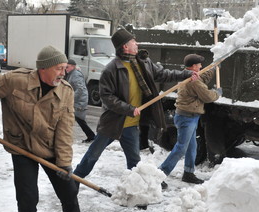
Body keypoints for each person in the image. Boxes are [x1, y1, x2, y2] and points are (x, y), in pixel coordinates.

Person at [0, 45, 92, 212]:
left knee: (69, 193)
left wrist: (64, 162)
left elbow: (65, 129)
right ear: (43, 68)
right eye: (59, 68)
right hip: (22, 147)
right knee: (27, 198)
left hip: (50, 148)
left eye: (64, 68)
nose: (63, 73)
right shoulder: (16, 80)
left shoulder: (66, 91)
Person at [74, 28, 198, 179]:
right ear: (125, 46)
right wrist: (128, 109)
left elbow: (163, 74)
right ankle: (75, 180)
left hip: (131, 125)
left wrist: (186, 74)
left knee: (134, 162)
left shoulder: (143, 63)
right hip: (112, 124)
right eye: (133, 41)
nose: (136, 43)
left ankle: (139, 192)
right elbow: (107, 97)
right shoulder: (111, 69)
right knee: (92, 156)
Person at [158, 54, 222, 189]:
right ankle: (159, 175)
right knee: (181, 148)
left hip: (190, 117)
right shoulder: (192, 81)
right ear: (194, 66)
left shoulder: (190, 76)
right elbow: (207, 96)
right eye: (199, 65)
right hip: (187, 118)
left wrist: (212, 69)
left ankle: (188, 173)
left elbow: (202, 77)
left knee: (192, 146)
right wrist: (217, 93)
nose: (201, 67)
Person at [65, 59, 96, 143]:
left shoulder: (75, 75)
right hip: (78, 100)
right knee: (77, 119)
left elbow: (80, 89)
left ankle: (92, 136)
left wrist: (71, 98)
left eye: (67, 67)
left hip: (79, 101)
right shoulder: (72, 74)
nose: (66, 69)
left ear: (73, 66)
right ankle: (91, 136)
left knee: (77, 119)